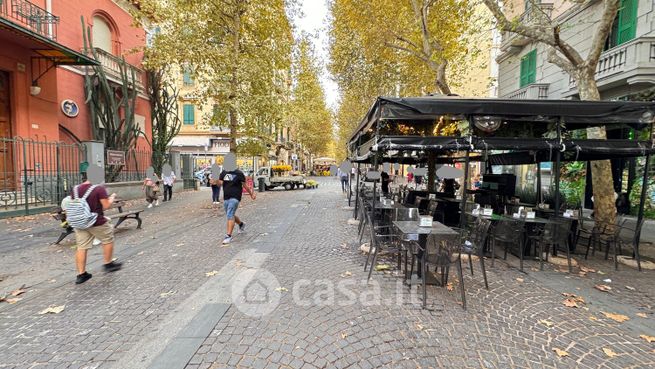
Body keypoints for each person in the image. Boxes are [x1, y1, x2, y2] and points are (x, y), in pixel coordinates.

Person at [68, 173, 122, 284]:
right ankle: (108, 264)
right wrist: (111, 198)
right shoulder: (99, 189)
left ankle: (81, 274)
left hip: (80, 222)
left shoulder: (75, 189)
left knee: (82, 247)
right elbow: (106, 206)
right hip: (96, 221)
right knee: (108, 240)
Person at [218, 166, 256, 244]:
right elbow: (220, 183)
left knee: (230, 214)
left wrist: (251, 194)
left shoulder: (239, 173)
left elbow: (245, 185)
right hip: (226, 197)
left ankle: (228, 236)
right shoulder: (224, 172)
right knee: (230, 214)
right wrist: (215, 180)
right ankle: (241, 224)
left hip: (235, 197)